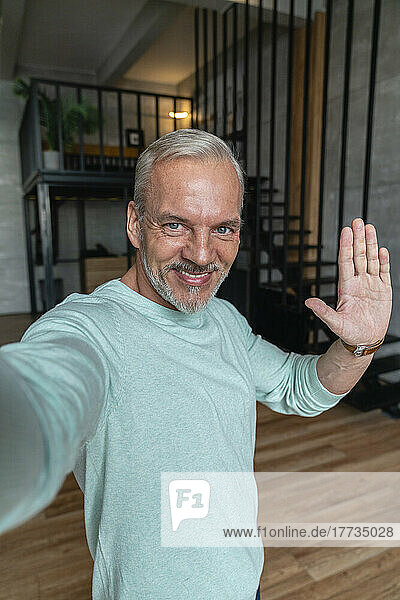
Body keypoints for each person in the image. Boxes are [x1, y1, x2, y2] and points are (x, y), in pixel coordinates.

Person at [0, 129, 392, 599]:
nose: (202, 255)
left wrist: (359, 347)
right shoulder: (88, 329)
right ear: (134, 222)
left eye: (222, 228)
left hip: (243, 583)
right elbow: (49, 382)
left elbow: (299, 387)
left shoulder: (223, 318)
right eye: (175, 225)